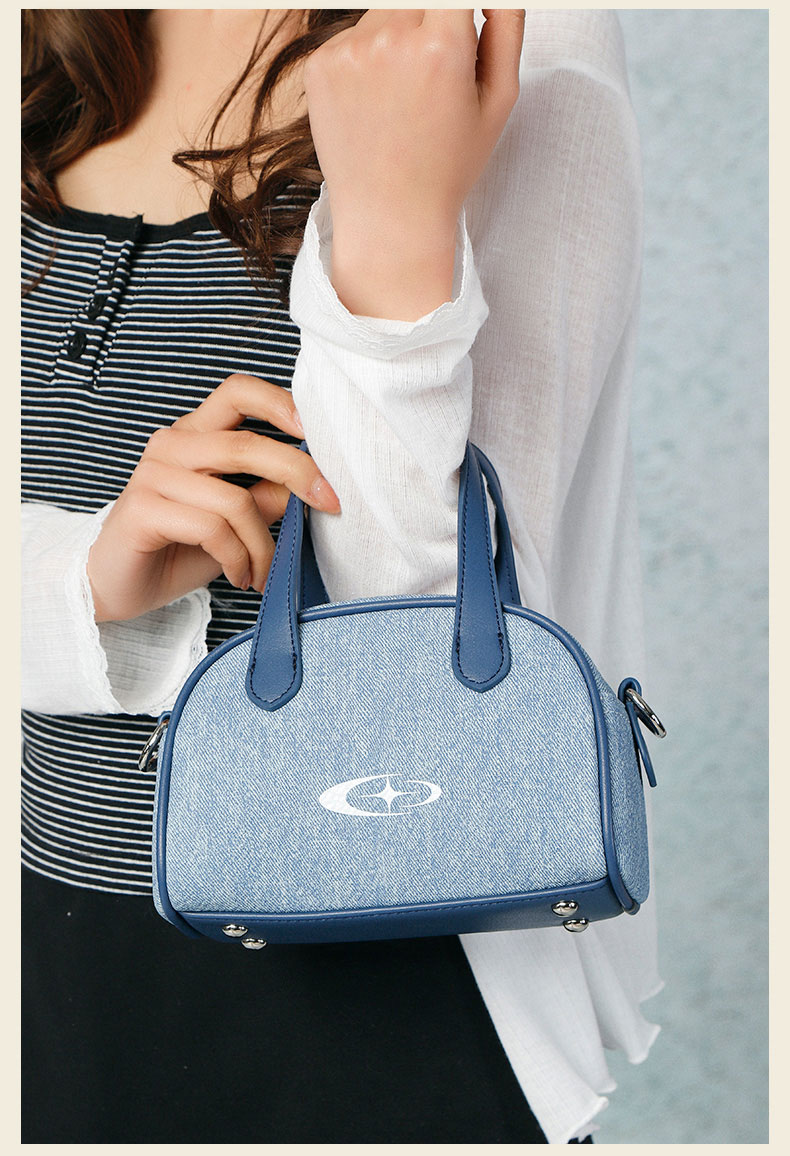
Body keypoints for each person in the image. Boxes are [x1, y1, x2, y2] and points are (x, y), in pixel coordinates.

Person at [21, 7, 662, 1144]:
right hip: (49, 960)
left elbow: (443, 623)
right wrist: (89, 576)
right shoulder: (39, 42)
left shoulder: (511, 40)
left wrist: (394, 234)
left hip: (384, 976)